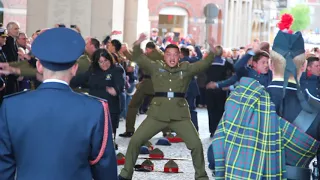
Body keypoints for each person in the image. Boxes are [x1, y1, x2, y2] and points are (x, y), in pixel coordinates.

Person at [212, 13, 320, 180]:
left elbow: (215, 156)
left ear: (270, 64)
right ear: (304, 65)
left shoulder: (241, 100)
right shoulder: (316, 109)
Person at [0, 27, 117, 180]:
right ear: (74, 69)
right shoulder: (95, 108)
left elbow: (4, 166)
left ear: (39, 66)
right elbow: (104, 166)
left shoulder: (11, 106)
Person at [118, 33, 216, 180]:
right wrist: (138, 43)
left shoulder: (186, 69)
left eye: (175, 55)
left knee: (196, 144)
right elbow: (139, 58)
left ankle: (201, 177)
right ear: (164, 56)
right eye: (168, 54)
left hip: (179, 116)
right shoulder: (156, 67)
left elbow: (204, 63)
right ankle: (125, 175)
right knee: (136, 141)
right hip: (157, 114)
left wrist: (213, 49)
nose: (172, 57)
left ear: (179, 57)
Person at [71, 48, 124, 150]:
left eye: (106, 61)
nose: (104, 64)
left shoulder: (116, 70)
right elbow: (79, 80)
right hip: (94, 107)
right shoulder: (93, 71)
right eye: (100, 62)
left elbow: (119, 85)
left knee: (108, 137)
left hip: (110, 108)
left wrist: (115, 90)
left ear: (110, 59)